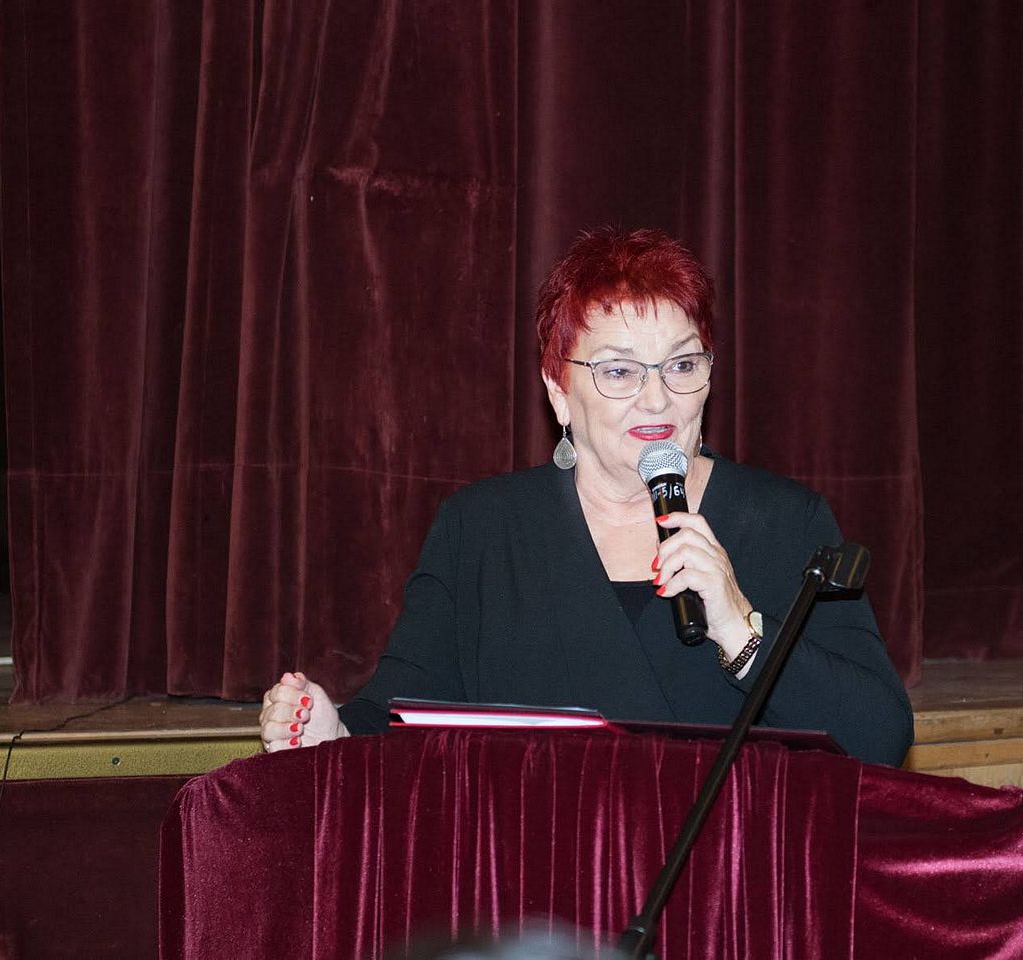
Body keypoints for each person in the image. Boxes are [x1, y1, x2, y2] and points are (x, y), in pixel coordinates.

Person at [258, 228, 914, 765]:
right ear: (559, 393)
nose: (656, 399)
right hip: (535, 880)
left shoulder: (787, 523)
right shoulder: (481, 530)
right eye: (620, 371)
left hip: (725, 879)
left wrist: (742, 632)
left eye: (682, 365)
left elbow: (879, 737)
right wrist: (334, 735)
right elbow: (398, 717)